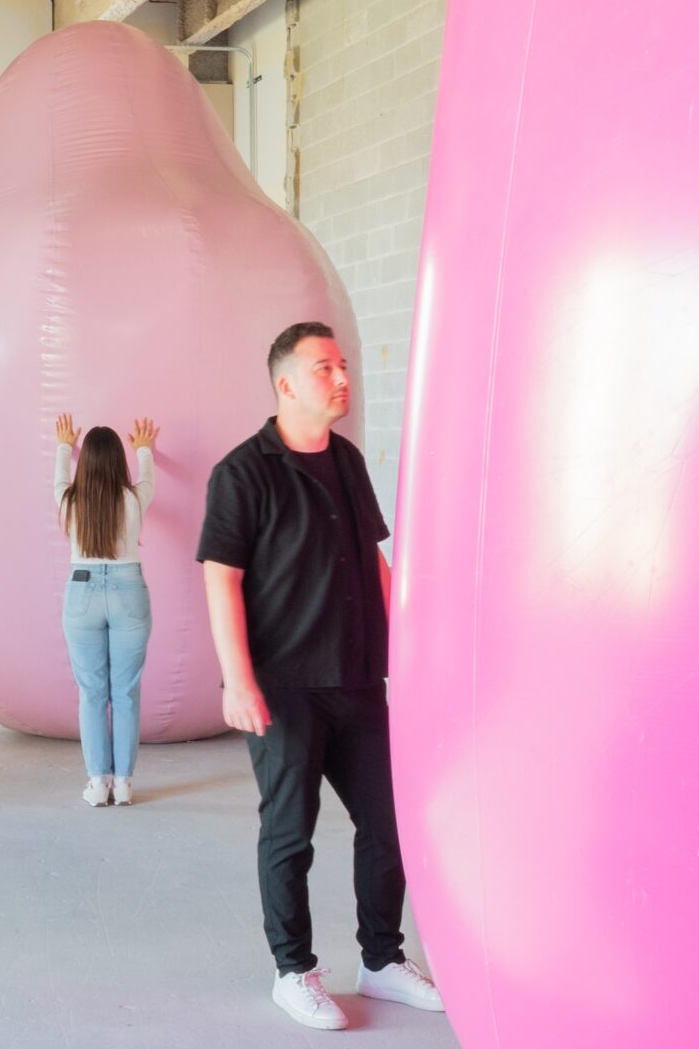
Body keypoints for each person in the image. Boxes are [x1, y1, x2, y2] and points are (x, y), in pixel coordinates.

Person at [197, 322, 444, 1029]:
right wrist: (237, 680)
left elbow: (373, 560)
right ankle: (293, 971)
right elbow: (221, 577)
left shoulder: (348, 460)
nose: (341, 378)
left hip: (358, 679)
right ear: (285, 384)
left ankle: (381, 960)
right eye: (324, 368)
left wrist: (408, 655)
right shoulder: (242, 472)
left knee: (390, 822)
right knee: (291, 832)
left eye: (342, 366)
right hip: (284, 687)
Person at [52, 412, 158, 807]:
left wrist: (64, 444)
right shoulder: (133, 499)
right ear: (118, 462)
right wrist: (144, 449)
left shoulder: (69, 501)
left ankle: (98, 783)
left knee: (92, 692)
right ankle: (125, 783)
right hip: (129, 589)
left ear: (84, 464)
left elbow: (60, 478)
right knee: (125, 692)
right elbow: (148, 479)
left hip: (82, 591)